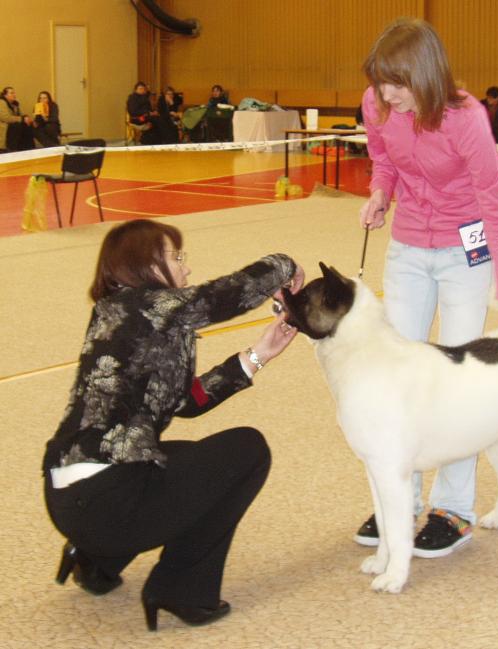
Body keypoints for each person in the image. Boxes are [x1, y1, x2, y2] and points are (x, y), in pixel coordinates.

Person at [42, 219, 304, 631]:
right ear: (146, 265)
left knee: (189, 458)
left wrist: (258, 355)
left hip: (73, 497)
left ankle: (95, 560)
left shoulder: (119, 312)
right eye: (176, 257)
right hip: (107, 502)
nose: (186, 269)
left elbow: (186, 403)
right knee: (247, 451)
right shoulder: (150, 306)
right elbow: (221, 297)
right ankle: (179, 589)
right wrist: (283, 265)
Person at [356, 18, 498, 558]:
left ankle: (454, 509)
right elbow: (384, 161)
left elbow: (497, 212)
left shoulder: (467, 120)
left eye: (398, 84)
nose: (386, 96)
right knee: (395, 373)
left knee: (458, 380)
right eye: (380, 84)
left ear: (426, 75)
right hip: (409, 246)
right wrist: (378, 193)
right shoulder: (378, 103)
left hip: (468, 248)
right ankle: (401, 498)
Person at [0, 86, 34, 152]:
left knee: (28, 125)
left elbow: (20, 116)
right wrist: (22, 119)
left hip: (13, 127)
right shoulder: (1, 103)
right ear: (5, 95)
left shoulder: (15, 105)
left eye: (14, 93)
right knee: (17, 126)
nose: (14, 95)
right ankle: (14, 149)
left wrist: (26, 118)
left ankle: (29, 149)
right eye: (11, 93)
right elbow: (5, 118)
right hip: (5, 128)